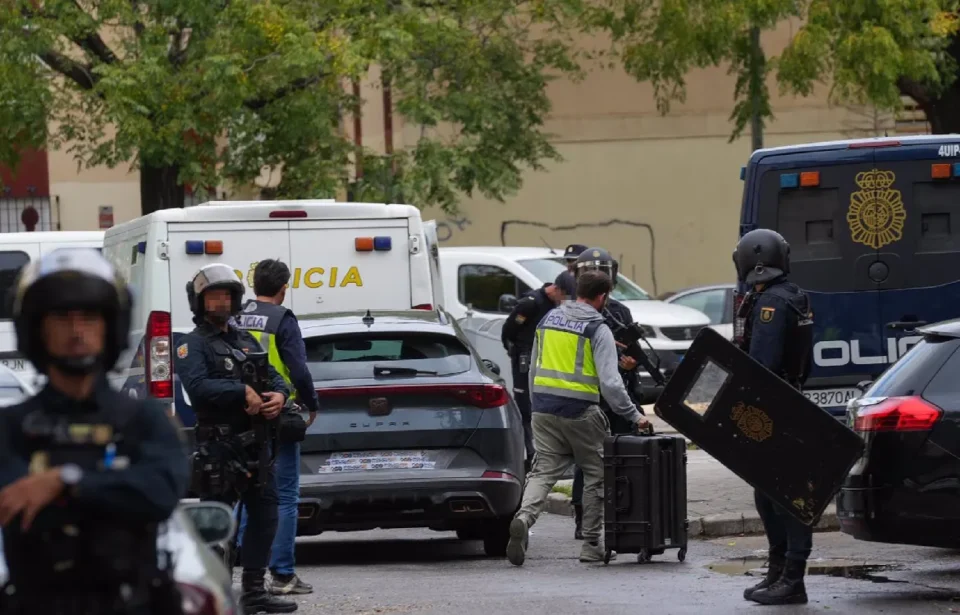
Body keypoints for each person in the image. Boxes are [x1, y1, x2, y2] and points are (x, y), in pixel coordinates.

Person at [0, 249, 188, 614]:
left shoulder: (144, 418)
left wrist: (65, 482)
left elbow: (161, 492)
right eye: (61, 318)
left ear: (110, 326)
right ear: (36, 329)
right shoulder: (10, 426)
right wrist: (116, 491)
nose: (76, 331)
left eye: (89, 317)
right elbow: (14, 503)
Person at [505, 270, 649, 567]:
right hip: (581, 412)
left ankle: (523, 518)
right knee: (596, 474)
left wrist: (536, 405)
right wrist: (634, 415)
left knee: (543, 471)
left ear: (577, 291)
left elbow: (532, 367)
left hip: (543, 409)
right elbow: (610, 383)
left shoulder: (548, 319)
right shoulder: (598, 328)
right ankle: (591, 544)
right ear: (602, 297)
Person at [175, 263, 296, 614]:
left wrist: (280, 397)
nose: (222, 302)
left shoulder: (245, 339)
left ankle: (255, 592)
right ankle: (214, 595)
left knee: (266, 515)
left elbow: (276, 377)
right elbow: (197, 387)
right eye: (214, 296)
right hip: (219, 447)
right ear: (200, 302)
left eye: (227, 295)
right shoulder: (191, 345)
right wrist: (240, 390)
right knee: (215, 524)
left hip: (257, 446)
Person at [733, 228, 814, 606]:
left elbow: (761, 366)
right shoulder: (791, 296)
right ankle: (778, 571)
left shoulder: (771, 305)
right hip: (789, 398)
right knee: (768, 493)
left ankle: (792, 577)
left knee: (784, 495)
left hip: (774, 407)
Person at [234, 260, 319, 596]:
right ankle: (282, 574)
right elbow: (298, 369)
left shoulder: (235, 317)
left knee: (246, 490)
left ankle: (246, 565)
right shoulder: (282, 319)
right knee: (284, 495)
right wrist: (311, 403)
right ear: (284, 287)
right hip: (277, 413)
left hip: (240, 413)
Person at [569, 250, 645, 539]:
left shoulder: (620, 312)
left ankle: (625, 513)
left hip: (618, 392)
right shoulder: (572, 313)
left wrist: (630, 362)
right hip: (590, 395)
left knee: (626, 453)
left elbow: (631, 349)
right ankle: (583, 518)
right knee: (587, 459)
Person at [501, 271, 577, 466]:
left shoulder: (556, 306)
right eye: (565, 296)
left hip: (545, 358)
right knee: (525, 406)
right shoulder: (531, 303)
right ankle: (530, 454)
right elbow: (509, 330)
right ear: (556, 289)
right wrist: (516, 351)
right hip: (525, 359)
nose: (566, 302)